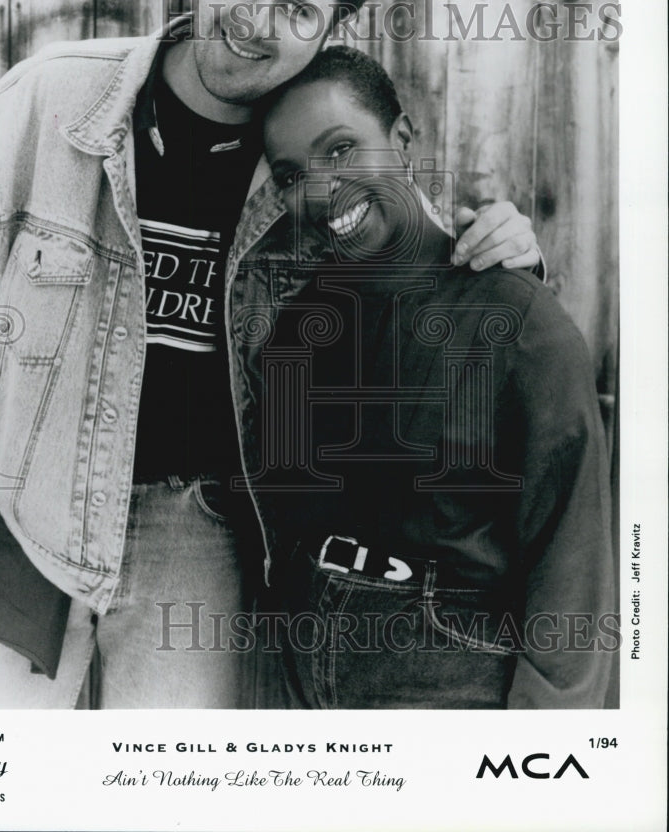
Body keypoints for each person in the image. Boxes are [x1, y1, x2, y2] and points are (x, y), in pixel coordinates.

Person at [0, 0, 543, 708]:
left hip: (206, 532)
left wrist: (507, 249)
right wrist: (5, 414)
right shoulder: (57, 96)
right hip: (29, 514)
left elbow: (428, 260)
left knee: (171, 785)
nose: (256, 22)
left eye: (296, 8)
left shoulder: (310, 157)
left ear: (332, 25)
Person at [228, 45, 615, 708]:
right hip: (298, 660)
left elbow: (571, 573)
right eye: (293, 175)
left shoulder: (519, 320)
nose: (320, 192)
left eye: (342, 149)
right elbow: (278, 505)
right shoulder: (298, 324)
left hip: (443, 671)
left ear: (402, 139)